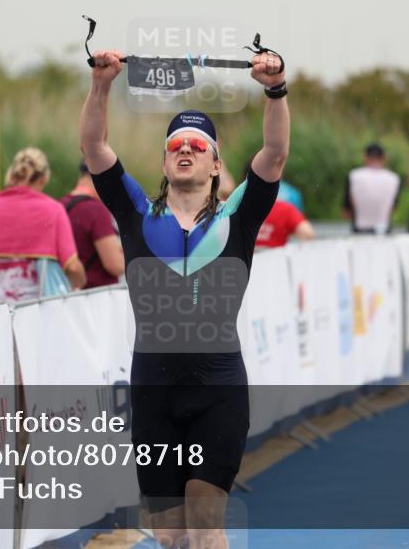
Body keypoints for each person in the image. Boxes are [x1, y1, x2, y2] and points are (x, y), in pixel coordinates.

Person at [81, 47, 288, 549]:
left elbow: (274, 153)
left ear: (216, 163)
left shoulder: (236, 218)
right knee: (171, 535)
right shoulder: (135, 213)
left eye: (197, 143)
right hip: (153, 391)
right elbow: (94, 148)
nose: (186, 149)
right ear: (164, 160)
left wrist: (276, 89)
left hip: (218, 388)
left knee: (205, 525)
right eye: (176, 144)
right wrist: (103, 84)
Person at [0, 147, 85, 303]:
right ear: (44, 177)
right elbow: (72, 267)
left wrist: (7, 261)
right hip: (38, 308)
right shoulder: (53, 210)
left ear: (13, 172)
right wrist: (80, 281)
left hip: (1, 306)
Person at [59, 160, 125, 288]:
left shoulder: (60, 205)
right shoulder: (96, 210)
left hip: (67, 295)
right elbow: (115, 265)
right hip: (97, 297)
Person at [248, 163, 315, 248]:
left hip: (242, 260)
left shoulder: (236, 206)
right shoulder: (288, 203)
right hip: (275, 258)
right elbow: (307, 234)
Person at [342, 142, 401, 234]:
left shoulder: (353, 176)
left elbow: (346, 212)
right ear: (384, 158)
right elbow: (393, 209)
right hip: (384, 231)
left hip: (359, 231)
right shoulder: (394, 178)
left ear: (365, 157)